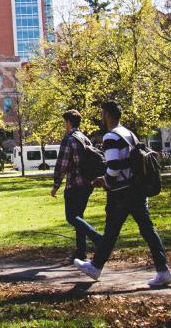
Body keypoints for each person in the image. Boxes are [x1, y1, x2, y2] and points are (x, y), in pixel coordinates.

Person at [74, 101, 171, 287]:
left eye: (103, 114)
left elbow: (113, 166)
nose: (102, 117)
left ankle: (95, 267)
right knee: (147, 230)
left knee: (112, 231)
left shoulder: (111, 137)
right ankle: (163, 270)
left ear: (108, 115)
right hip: (136, 189)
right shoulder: (129, 134)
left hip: (121, 192)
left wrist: (103, 180)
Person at [50, 109, 104, 262]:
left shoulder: (69, 138)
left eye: (65, 122)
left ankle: (98, 239)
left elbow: (62, 164)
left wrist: (56, 185)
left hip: (74, 184)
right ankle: (81, 252)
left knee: (71, 217)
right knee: (79, 217)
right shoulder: (84, 138)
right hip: (88, 183)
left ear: (68, 122)